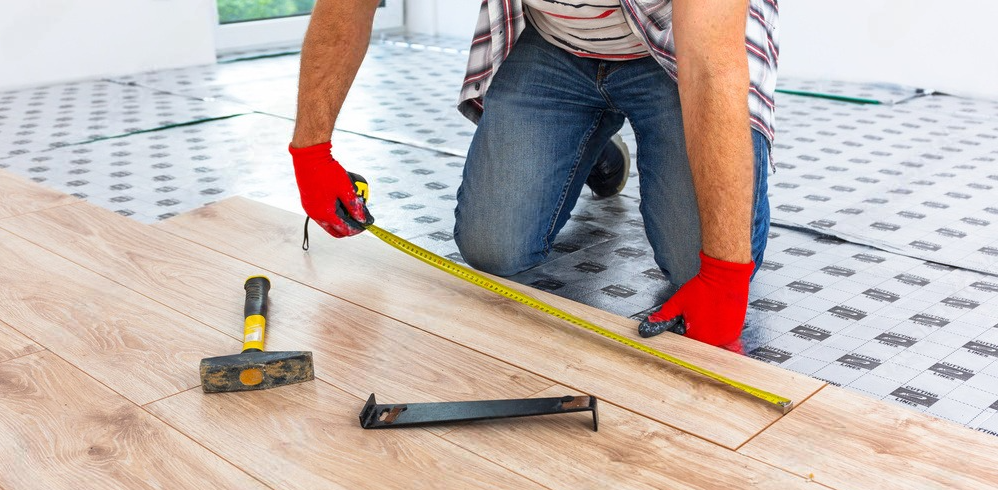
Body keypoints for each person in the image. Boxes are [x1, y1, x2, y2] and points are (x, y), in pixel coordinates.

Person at [289, 0, 779, 348]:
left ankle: (592, 135)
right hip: (556, 44)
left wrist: (725, 274)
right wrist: (311, 151)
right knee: (494, 249)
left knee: (696, 266)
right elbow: (347, 5)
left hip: (678, 47)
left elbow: (711, 68)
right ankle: (587, 143)